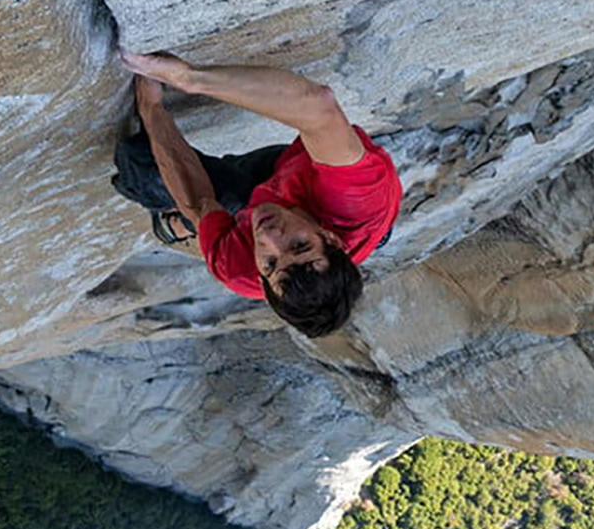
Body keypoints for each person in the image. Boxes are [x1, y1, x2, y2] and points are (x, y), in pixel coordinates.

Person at [112, 50, 401, 337]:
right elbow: (319, 108)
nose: (270, 237)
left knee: (142, 164)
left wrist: (152, 108)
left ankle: (176, 227)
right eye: (300, 245)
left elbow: (199, 203)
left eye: (271, 263)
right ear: (329, 238)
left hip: (283, 199)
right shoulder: (355, 200)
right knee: (245, 195)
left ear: (261, 280)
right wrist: (189, 78)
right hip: (301, 183)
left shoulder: (240, 270)